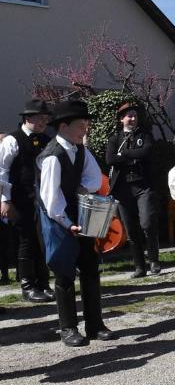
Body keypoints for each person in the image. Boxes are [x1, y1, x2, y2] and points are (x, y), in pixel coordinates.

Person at [37, 100, 114, 346]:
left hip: (80, 216)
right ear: (64, 126)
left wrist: (84, 187)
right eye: (81, 125)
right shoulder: (52, 156)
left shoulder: (81, 150)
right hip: (58, 219)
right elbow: (51, 199)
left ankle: (95, 324)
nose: (85, 130)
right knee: (64, 273)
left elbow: (94, 177)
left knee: (90, 269)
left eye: (86, 124)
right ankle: (68, 328)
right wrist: (67, 222)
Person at [0, 99, 53, 302]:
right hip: (19, 199)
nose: (44, 121)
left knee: (41, 240)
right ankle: (28, 286)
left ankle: (43, 283)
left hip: (41, 199)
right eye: (41, 118)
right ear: (28, 118)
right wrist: (5, 200)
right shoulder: (12, 140)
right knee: (27, 240)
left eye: (46, 118)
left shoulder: (46, 140)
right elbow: (2, 172)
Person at [105, 101, 161, 279]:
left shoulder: (145, 135)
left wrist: (126, 155)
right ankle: (139, 267)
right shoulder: (115, 139)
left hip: (143, 186)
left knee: (147, 223)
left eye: (135, 116)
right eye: (129, 116)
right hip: (123, 189)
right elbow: (110, 159)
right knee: (131, 229)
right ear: (121, 119)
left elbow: (146, 152)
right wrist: (131, 157)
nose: (132, 119)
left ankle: (154, 260)